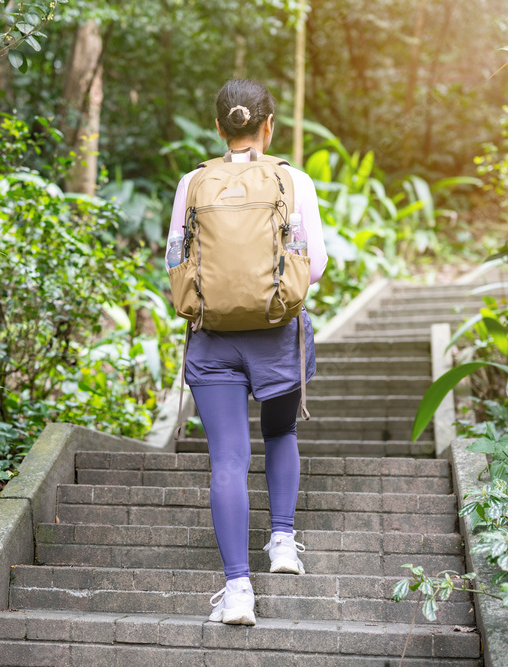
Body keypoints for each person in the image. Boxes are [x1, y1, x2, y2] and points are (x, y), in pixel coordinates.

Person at [165, 79, 328, 626]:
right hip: (278, 331)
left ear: (219, 128)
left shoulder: (192, 182)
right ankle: (282, 542)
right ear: (269, 125)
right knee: (280, 433)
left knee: (228, 460)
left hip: (213, 338)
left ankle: (238, 589)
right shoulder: (293, 180)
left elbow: (175, 259)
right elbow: (315, 263)